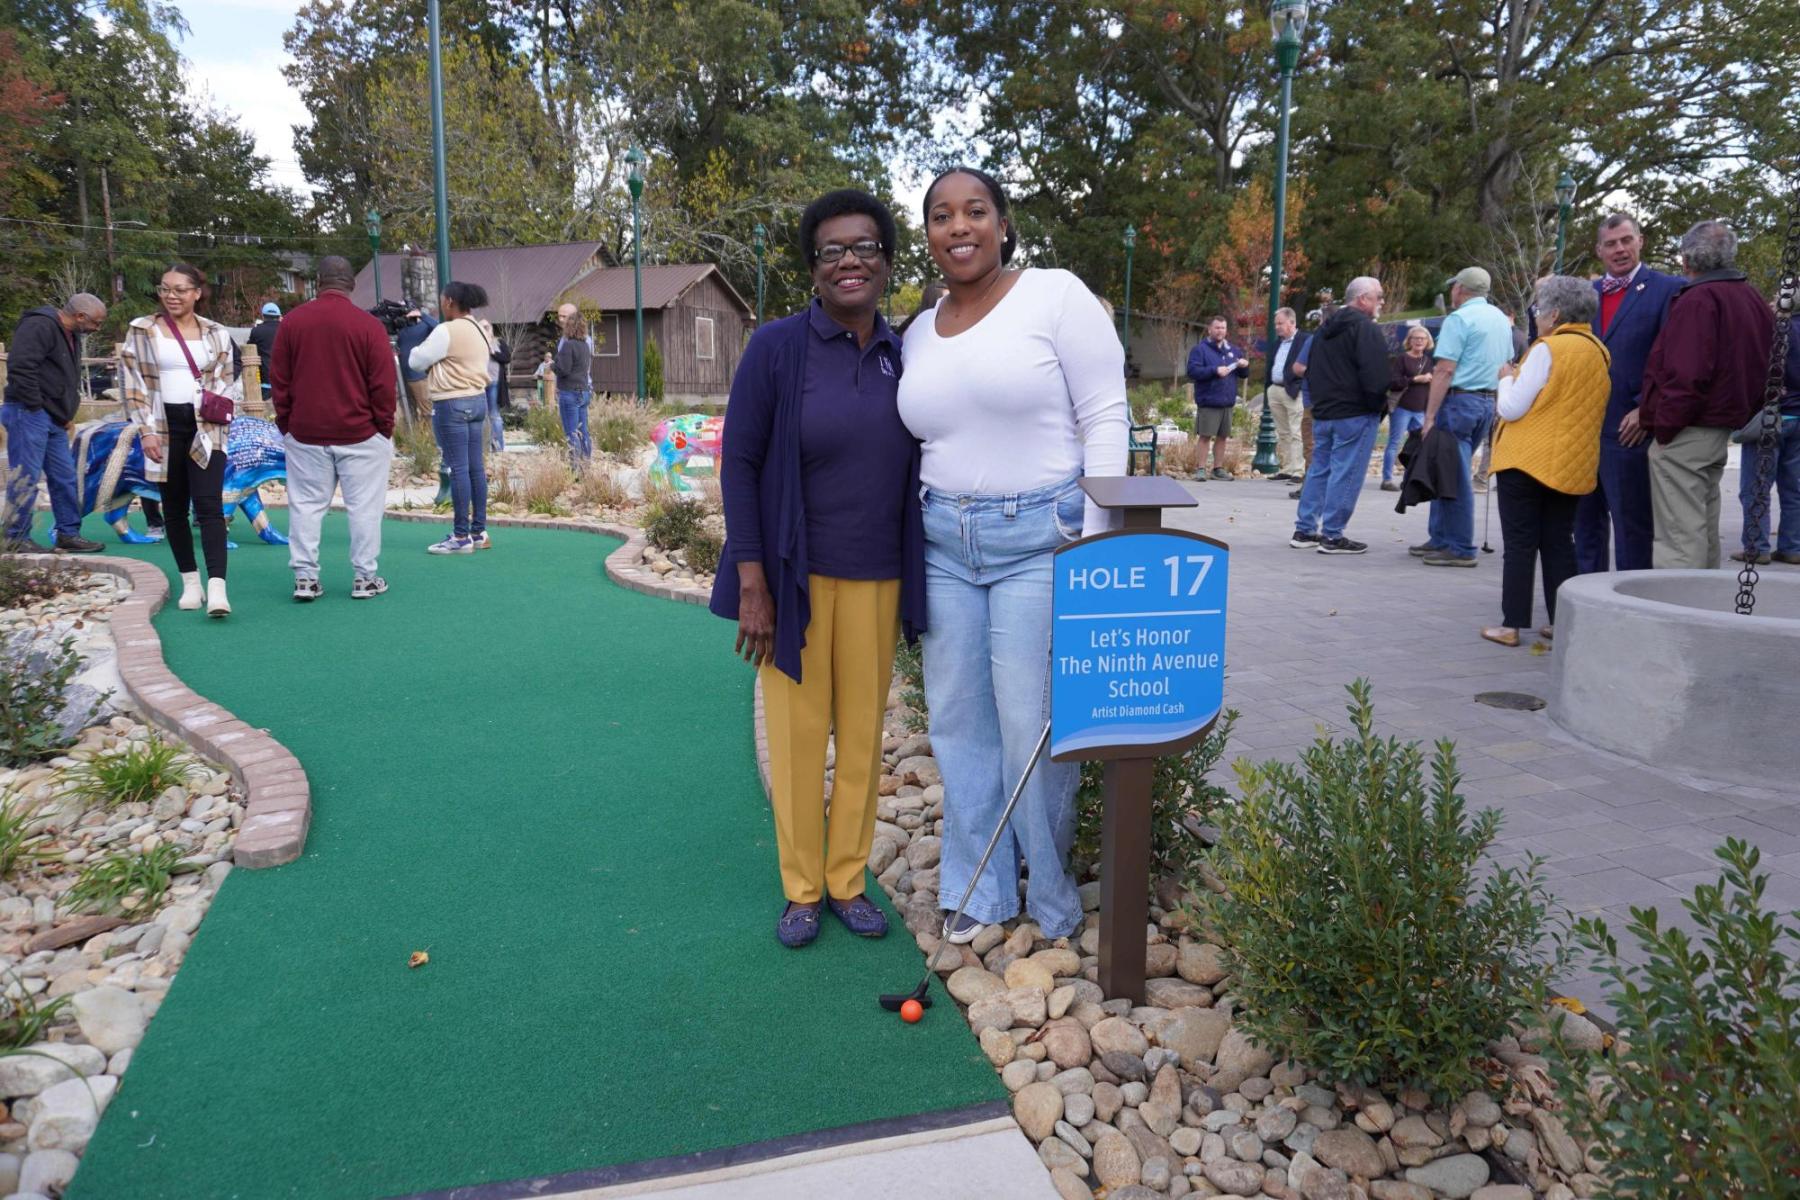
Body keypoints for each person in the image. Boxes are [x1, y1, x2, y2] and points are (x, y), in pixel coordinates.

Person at [898, 166, 1129, 942]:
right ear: (926, 233)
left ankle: (1052, 895)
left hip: (1042, 539)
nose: (958, 227)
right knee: (961, 721)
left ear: (1002, 223)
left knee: (1031, 724)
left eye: (975, 211)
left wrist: (1099, 544)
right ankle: (980, 887)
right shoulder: (919, 329)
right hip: (941, 543)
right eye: (940, 215)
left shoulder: (1054, 295)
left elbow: (1105, 416)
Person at [710, 188, 919, 948]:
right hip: (795, 580)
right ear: (813, 268)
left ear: (888, 262)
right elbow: (740, 462)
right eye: (832, 251)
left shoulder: (907, 354)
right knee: (799, 738)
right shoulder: (776, 348)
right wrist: (753, 583)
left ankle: (848, 881)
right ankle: (801, 889)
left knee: (862, 736)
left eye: (864, 247)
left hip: (880, 576)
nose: (849, 261)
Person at [1480, 276, 1611, 646]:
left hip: (1527, 460)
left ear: (1555, 313)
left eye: (1539, 310)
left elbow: (1511, 406)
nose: (1536, 317)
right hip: (1570, 462)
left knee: (1520, 543)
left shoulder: (1547, 348)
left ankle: (1511, 624)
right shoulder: (1598, 350)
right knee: (1559, 542)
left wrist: (1505, 378)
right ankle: (1561, 621)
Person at [1640, 220, 1775, 569]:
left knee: (1679, 535)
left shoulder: (1700, 300)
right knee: (1701, 524)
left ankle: (1679, 616)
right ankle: (1704, 604)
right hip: (1721, 423)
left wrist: (1665, 429)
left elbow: (1688, 373)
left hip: (1690, 427)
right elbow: (1767, 362)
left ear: (1687, 260)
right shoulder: (1751, 297)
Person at [269, 255, 398, 601]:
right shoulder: (369, 326)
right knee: (364, 508)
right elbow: (384, 384)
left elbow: (279, 379)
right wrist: (383, 427)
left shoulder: (292, 323)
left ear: (318, 280)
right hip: (360, 432)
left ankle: (306, 578)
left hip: (307, 432)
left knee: (306, 505)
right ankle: (364, 577)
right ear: (350, 284)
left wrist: (287, 423)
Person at [119, 264, 237, 615]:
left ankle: (218, 588)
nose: (171, 295)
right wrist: (146, 431)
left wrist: (213, 415)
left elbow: (227, 379)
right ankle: (190, 581)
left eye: (180, 289)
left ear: (197, 293)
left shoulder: (216, 332)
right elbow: (133, 384)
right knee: (173, 508)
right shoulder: (142, 330)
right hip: (161, 424)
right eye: (165, 288)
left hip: (206, 425)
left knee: (209, 505)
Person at [1574, 213, 1683, 573]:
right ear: (1599, 250)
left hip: (1628, 429)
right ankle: (1586, 605)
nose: (1619, 249)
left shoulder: (1670, 289)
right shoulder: (1583, 295)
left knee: (1632, 529)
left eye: (1626, 240)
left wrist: (1644, 410)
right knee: (1584, 527)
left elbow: (1675, 359)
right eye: (1611, 243)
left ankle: (1630, 608)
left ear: (1640, 241)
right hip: (1581, 431)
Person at [1416, 267, 1515, 566]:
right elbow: (1508, 364)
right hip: (1487, 401)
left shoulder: (1459, 319)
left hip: (1460, 401)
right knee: (1447, 468)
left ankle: (1458, 545)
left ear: (1460, 289)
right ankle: (1441, 537)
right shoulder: (1499, 318)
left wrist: (1430, 415)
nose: (1452, 292)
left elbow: (1445, 370)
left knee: (1454, 474)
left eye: (1453, 287)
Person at [1290, 276, 1389, 554]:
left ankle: (1305, 529)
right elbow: (1377, 374)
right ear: (1362, 299)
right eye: (1378, 296)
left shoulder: (1322, 331)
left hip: (1325, 411)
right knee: (1346, 472)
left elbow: (1311, 370)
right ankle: (1332, 535)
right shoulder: (1365, 329)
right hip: (1355, 412)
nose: (1381, 302)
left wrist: (1319, 404)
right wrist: (1377, 406)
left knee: (1320, 470)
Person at [2, 293, 108, 552]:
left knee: (65, 476)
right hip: (28, 413)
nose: (97, 328)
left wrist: (62, 413)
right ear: (80, 316)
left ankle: (68, 533)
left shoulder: (71, 334)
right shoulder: (40, 325)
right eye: (96, 322)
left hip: (54, 418)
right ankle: (16, 537)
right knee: (25, 476)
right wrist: (36, 406)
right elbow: (20, 367)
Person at [407, 280, 494, 554]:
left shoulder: (446, 331)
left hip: (452, 403)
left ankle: (460, 537)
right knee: (475, 468)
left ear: (449, 302)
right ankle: (479, 531)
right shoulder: (479, 328)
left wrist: (430, 358)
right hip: (478, 400)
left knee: (457, 469)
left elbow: (415, 361)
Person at [1734, 310, 1800, 566]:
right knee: (1794, 489)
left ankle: (1756, 546)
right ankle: (1792, 546)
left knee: (1756, 486)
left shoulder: (1778, 330)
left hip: (1773, 417)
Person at [1185, 315, 1247, 480]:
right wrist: (1214, 370)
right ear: (1210, 329)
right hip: (1209, 401)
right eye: (1217, 327)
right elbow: (1192, 372)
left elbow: (1243, 375)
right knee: (1205, 436)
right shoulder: (1200, 350)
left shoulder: (1233, 350)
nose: (1221, 331)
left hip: (1227, 401)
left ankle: (1217, 469)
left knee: (1223, 437)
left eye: (1223, 328)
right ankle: (1200, 469)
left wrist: (1244, 365)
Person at [1260, 307, 1308, 481]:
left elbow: (1310, 366)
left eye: (1280, 323)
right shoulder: (1277, 344)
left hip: (1294, 390)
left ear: (1292, 322)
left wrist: (1301, 386)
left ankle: (1298, 470)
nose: (1277, 327)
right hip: (1275, 389)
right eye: (1276, 324)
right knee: (1283, 432)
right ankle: (1288, 468)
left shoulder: (1305, 340)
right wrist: (1268, 388)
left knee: (1296, 432)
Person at [1383, 324, 1434, 491]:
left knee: (1417, 445)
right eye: (1416, 338)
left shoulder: (1428, 361)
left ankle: (1410, 479)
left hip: (1420, 410)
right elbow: (1394, 382)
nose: (1419, 341)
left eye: (1422, 338)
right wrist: (1415, 379)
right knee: (1395, 443)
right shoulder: (1402, 359)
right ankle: (1387, 479)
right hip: (1402, 408)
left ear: (1428, 341)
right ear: (1409, 340)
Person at [553, 311, 594, 466]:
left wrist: (552, 365)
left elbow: (563, 369)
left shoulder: (568, 345)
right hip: (583, 391)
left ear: (569, 327)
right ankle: (586, 465)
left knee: (571, 433)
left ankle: (575, 469)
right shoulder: (585, 345)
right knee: (583, 432)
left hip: (569, 392)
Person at [394, 306, 438, 421]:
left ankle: (429, 437)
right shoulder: (399, 330)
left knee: (427, 411)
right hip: (402, 376)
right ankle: (413, 436)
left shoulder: (423, 327)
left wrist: (422, 315)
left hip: (418, 377)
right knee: (408, 412)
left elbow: (439, 327)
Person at [478, 317, 509, 454]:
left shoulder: (498, 342)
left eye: (487, 327)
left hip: (495, 382)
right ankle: (485, 448)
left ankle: (498, 447)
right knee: (482, 415)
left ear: (491, 328)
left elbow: (506, 358)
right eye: (481, 327)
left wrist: (492, 351)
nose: (485, 329)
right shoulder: (475, 342)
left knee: (494, 414)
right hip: (479, 383)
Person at [246, 302, 281, 400]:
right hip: (284, 380)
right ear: (278, 316)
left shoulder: (257, 331)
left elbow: (249, 348)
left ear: (263, 316)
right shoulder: (286, 328)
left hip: (265, 379)